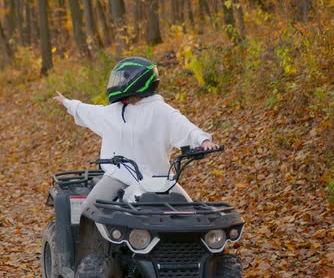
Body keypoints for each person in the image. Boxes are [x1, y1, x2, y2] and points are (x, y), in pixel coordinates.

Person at [53, 57, 219, 204]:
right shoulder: (114, 111)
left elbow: (184, 127)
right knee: (89, 209)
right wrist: (67, 103)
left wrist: (203, 141)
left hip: (158, 180)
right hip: (119, 177)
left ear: (136, 80)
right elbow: (89, 110)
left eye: (121, 78)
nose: (116, 83)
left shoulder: (161, 111)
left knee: (188, 211)